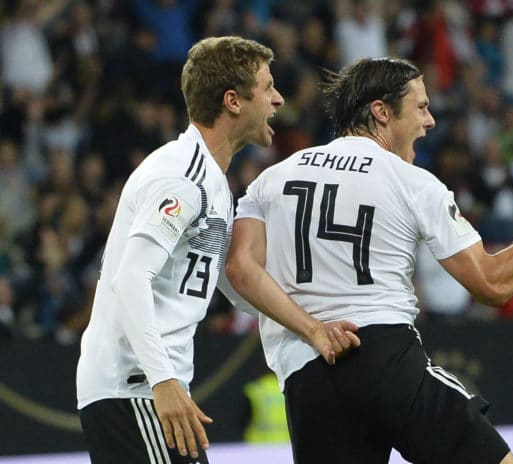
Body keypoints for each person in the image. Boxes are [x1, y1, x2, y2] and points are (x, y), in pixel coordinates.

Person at [226, 57, 513, 464]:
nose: (429, 121)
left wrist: (311, 328)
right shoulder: (411, 181)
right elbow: (493, 284)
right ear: (381, 111)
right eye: (421, 107)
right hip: (381, 354)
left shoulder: (270, 180)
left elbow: (241, 269)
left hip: (305, 373)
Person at [76, 36, 359, 464]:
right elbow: (130, 278)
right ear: (232, 101)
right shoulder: (182, 177)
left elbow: (233, 280)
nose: (278, 99)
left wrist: (313, 328)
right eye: (267, 87)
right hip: (136, 387)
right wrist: (162, 380)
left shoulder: (211, 182)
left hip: (144, 387)